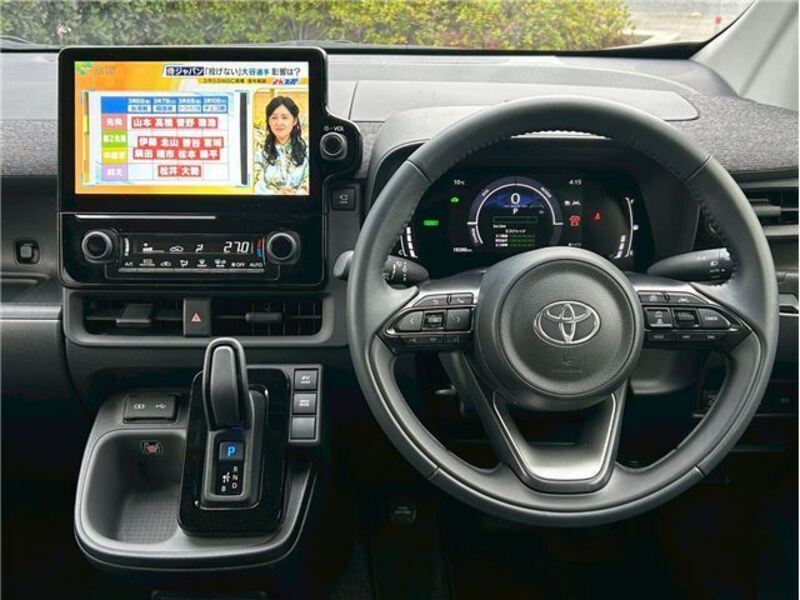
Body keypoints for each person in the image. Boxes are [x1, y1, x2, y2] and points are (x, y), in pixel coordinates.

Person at [254, 95, 309, 195]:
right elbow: (256, 185)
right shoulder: (260, 154)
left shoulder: (307, 152)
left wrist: (299, 193)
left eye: (284, 117)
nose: (279, 123)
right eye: (274, 118)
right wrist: (277, 194)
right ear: (268, 121)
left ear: (294, 121)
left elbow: (310, 180)